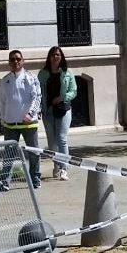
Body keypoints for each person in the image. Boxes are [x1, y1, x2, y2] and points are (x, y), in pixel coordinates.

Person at [0, 50, 41, 190]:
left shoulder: (31, 77)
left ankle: (35, 179)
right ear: (9, 62)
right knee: (8, 154)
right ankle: (5, 182)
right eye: (12, 59)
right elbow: (2, 101)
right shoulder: (5, 80)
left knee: (33, 153)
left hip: (29, 123)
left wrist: (30, 114)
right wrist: (3, 118)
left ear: (23, 61)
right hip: (10, 124)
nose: (15, 62)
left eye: (18, 59)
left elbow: (37, 98)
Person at [38, 46, 77, 181]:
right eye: (53, 55)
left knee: (62, 139)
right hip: (47, 111)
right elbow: (38, 92)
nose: (55, 57)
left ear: (62, 57)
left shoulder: (67, 73)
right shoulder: (42, 74)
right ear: (49, 57)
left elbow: (74, 91)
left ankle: (64, 168)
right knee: (52, 141)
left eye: (58, 55)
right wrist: (39, 108)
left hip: (63, 109)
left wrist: (62, 98)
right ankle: (56, 164)